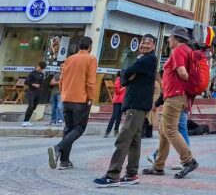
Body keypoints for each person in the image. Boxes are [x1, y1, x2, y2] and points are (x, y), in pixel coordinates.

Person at [93, 34, 158, 187]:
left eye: (148, 43)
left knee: (123, 139)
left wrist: (127, 74)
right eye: (143, 42)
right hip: (137, 104)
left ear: (154, 46)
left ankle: (112, 175)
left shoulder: (148, 59)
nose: (144, 45)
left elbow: (127, 72)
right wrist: (128, 74)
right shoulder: (143, 59)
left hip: (137, 104)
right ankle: (131, 174)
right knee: (134, 140)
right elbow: (127, 74)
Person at [142, 26, 198, 179]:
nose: (168, 40)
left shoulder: (179, 51)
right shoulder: (188, 51)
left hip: (175, 96)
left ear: (176, 38)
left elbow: (183, 73)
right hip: (178, 96)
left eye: (170, 37)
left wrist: (187, 83)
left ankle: (188, 160)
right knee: (164, 130)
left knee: (170, 130)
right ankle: (158, 165)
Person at [48, 37, 97, 171]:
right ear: (90, 46)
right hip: (81, 99)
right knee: (79, 128)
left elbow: (62, 79)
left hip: (67, 98)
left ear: (78, 46)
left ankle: (64, 161)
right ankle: (58, 148)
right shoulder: (91, 59)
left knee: (68, 129)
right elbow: (90, 82)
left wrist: (64, 93)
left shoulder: (69, 59)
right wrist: (91, 97)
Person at [22, 61, 46, 127]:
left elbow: (41, 83)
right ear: (38, 66)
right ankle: (25, 121)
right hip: (31, 91)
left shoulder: (42, 74)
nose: (41, 70)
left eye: (42, 69)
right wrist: (33, 84)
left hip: (38, 92)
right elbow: (26, 82)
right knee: (30, 106)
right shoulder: (32, 73)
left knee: (34, 107)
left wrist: (40, 86)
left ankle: (27, 120)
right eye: (40, 68)